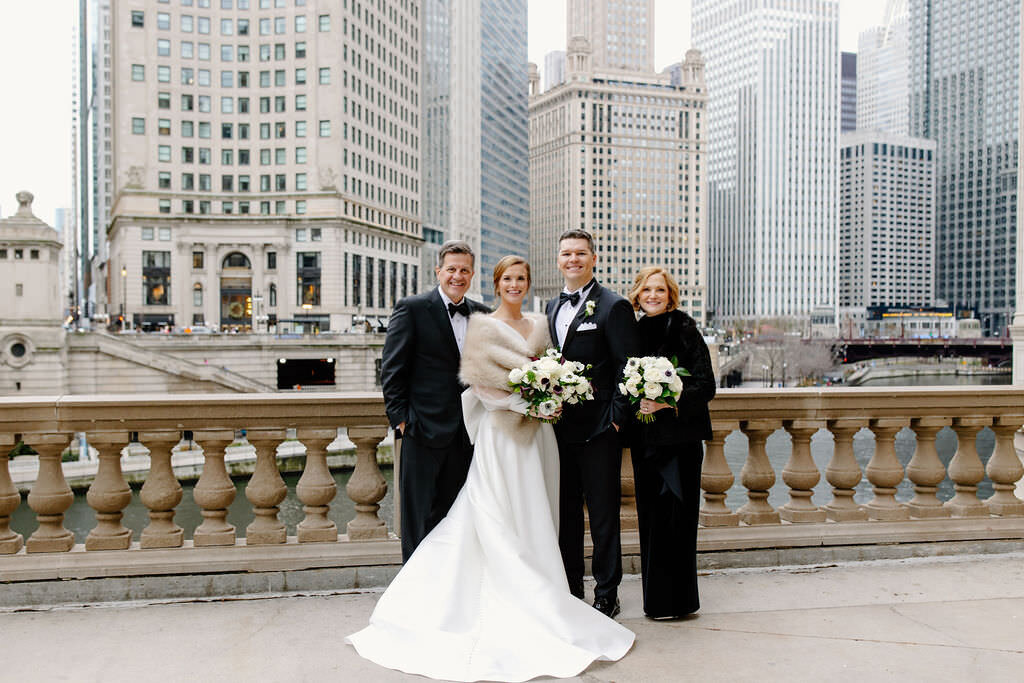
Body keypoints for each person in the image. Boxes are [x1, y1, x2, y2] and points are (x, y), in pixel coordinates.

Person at [348, 256, 634, 682]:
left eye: (521, 279)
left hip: (539, 439)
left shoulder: (539, 323)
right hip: (501, 437)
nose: (514, 285)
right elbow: (480, 388)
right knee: (493, 515)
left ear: (527, 283)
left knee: (536, 514)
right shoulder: (482, 326)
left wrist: (554, 397)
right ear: (497, 284)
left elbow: (550, 371)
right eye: (507, 279)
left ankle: (543, 588)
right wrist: (530, 403)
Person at [545, 229, 639, 618]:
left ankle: (607, 593)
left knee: (603, 517)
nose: (573, 260)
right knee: (565, 516)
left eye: (580, 254)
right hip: (558, 431)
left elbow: (627, 367)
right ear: (559, 260)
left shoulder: (613, 306)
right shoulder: (552, 306)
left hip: (600, 431)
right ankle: (570, 587)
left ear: (593, 259)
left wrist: (615, 420)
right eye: (566, 253)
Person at [380, 240, 490, 562]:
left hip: (468, 435)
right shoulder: (411, 308)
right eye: (452, 269)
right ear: (438, 271)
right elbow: (392, 368)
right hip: (422, 431)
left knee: (454, 516)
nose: (458, 276)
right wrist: (401, 421)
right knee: (417, 519)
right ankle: (414, 593)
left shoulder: (481, 315)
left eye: (464, 270)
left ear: (472, 274)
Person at [627, 266, 716, 619]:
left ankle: (681, 602)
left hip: (681, 442)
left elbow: (706, 385)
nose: (653, 295)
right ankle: (656, 602)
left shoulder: (684, 326)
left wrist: (667, 401)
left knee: (679, 519)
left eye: (660, 290)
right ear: (638, 293)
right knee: (650, 520)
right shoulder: (631, 331)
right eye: (647, 290)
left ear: (670, 294)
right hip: (646, 442)